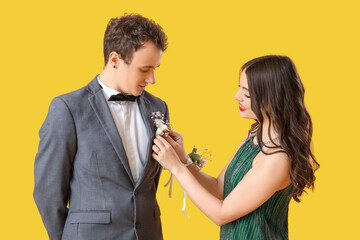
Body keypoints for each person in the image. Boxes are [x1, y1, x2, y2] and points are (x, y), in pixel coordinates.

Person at [152, 55, 319, 239]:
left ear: (272, 98)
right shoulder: (255, 133)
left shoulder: (277, 158)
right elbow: (219, 188)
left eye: (247, 93)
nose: (236, 96)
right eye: (239, 88)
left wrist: (176, 168)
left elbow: (221, 214)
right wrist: (184, 159)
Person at [33, 14, 168, 240]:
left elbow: (149, 184)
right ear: (115, 59)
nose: (152, 79)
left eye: (155, 68)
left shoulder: (158, 107)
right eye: (144, 69)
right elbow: (48, 191)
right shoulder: (68, 108)